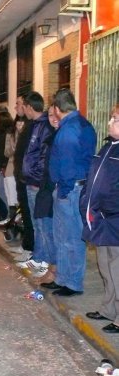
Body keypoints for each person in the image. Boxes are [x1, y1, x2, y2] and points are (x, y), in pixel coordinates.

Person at [42, 88, 96, 296]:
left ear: (56, 109)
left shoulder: (69, 129)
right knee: (63, 237)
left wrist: (63, 190)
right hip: (72, 187)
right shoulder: (80, 124)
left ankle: (72, 283)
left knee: (71, 238)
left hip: (70, 189)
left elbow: (67, 164)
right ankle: (64, 278)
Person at [82, 104, 119, 333]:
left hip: (116, 219)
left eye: (115, 118)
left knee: (118, 269)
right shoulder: (108, 147)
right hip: (103, 219)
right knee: (105, 266)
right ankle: (108, 308)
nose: (110, 122)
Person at [17, 92, 57, 277]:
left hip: (36, 183)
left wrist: (34, 178)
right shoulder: (34, 125)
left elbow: (43, 157)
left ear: (30, 107)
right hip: (30, 181)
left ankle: (43, 262)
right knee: (35, 223)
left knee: (42, 224)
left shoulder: (44, 127)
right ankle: (38, 257)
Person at [9, 95, 35, 262]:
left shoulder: (32, 126)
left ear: (26, 105)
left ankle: (31, 248)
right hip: (21, 175)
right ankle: (26, 244)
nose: (16, 107)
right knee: (24, 212)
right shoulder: (21, 125)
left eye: (18, 104)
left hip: (27, 177)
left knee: (29, 214)